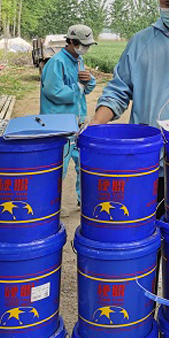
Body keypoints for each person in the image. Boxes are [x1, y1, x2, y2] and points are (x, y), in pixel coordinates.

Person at [39, 24, 97, 204]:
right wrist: (78, 86)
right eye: (82, 44)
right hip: (58, 126)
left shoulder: (78, 60)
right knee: (57, 167)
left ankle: (84, 201)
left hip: (76, 123)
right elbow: (54, 92)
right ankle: (47, 204)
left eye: (88, 45)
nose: (85, 48)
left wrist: (89, 80)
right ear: (71, 41)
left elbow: (84, 90)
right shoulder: (57, 63)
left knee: (84, 164)